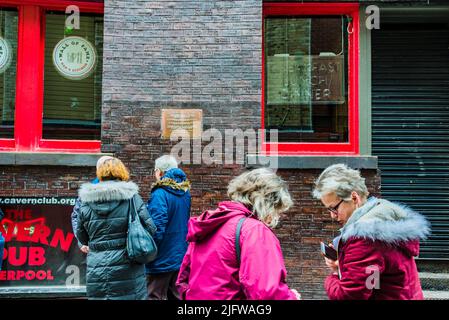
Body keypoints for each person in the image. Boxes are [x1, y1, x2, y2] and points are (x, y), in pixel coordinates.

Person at [176, 168, 301, 300]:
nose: (276, 218)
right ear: (267, 204)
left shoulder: (209, 223)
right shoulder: (254, 230)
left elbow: (183, 279)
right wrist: (291, 297)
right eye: (277, 210)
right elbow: (267, 293)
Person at [313, 163, 431, 300]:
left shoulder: (364, 239)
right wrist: (345, 266)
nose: (332, 215)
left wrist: (333, 276)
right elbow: (375, 279)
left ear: (354, 198)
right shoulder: (385, 217)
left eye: (333, 208)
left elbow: (349, 296)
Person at [75, 157, 156, 300]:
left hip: (97, 266)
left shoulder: (86, 200)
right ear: (122, 171)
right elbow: (150, 227)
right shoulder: (131, 197)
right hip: (127, 263)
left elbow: (82, 237)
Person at [145, 155, 191, 300]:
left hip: (161, 257)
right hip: (179, 254)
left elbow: (157, 227)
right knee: (176, 295)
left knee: (155, 295)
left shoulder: (160, 193)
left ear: (159, 172)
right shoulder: (185, 192)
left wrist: (149, 251)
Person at [71, 155, 114, 254]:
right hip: (96, 247)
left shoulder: (125, 191)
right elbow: (76, 216)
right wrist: (82, 242)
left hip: (114, 248)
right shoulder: (87, 192)